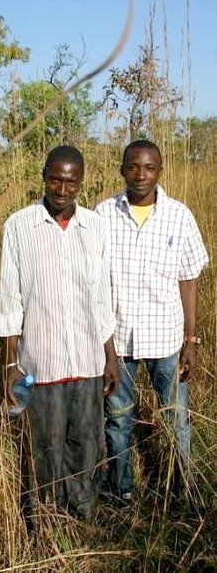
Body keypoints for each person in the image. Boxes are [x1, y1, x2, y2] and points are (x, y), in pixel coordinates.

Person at [0, 145, 119, 520]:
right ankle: (47, 521)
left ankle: (82, 516)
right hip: (41, 364)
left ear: (82, 182)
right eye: (55, 179)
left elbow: (101, 297)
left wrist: (110, 357)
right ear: (44, 175)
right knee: (45, 447)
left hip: (86, 359)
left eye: (71, 182)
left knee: (84, 444)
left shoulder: (95, 227)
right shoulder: (18, 226)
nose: (62, 189)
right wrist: (11, 363)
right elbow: (10, 300)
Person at [95, 139, 208, 504]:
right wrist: (103, 346)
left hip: (167, 339)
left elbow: (188, 279)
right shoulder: (102, 215)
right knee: (118, 419)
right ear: (121, 169)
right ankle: (123, 490)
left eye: (149, 168)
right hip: (119, 342)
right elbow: (95, 283)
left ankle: (181, 491)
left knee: (176, 419)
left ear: (160, 171)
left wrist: (191, 340)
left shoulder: (180, 215)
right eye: (133, 167)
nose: (140, 175)